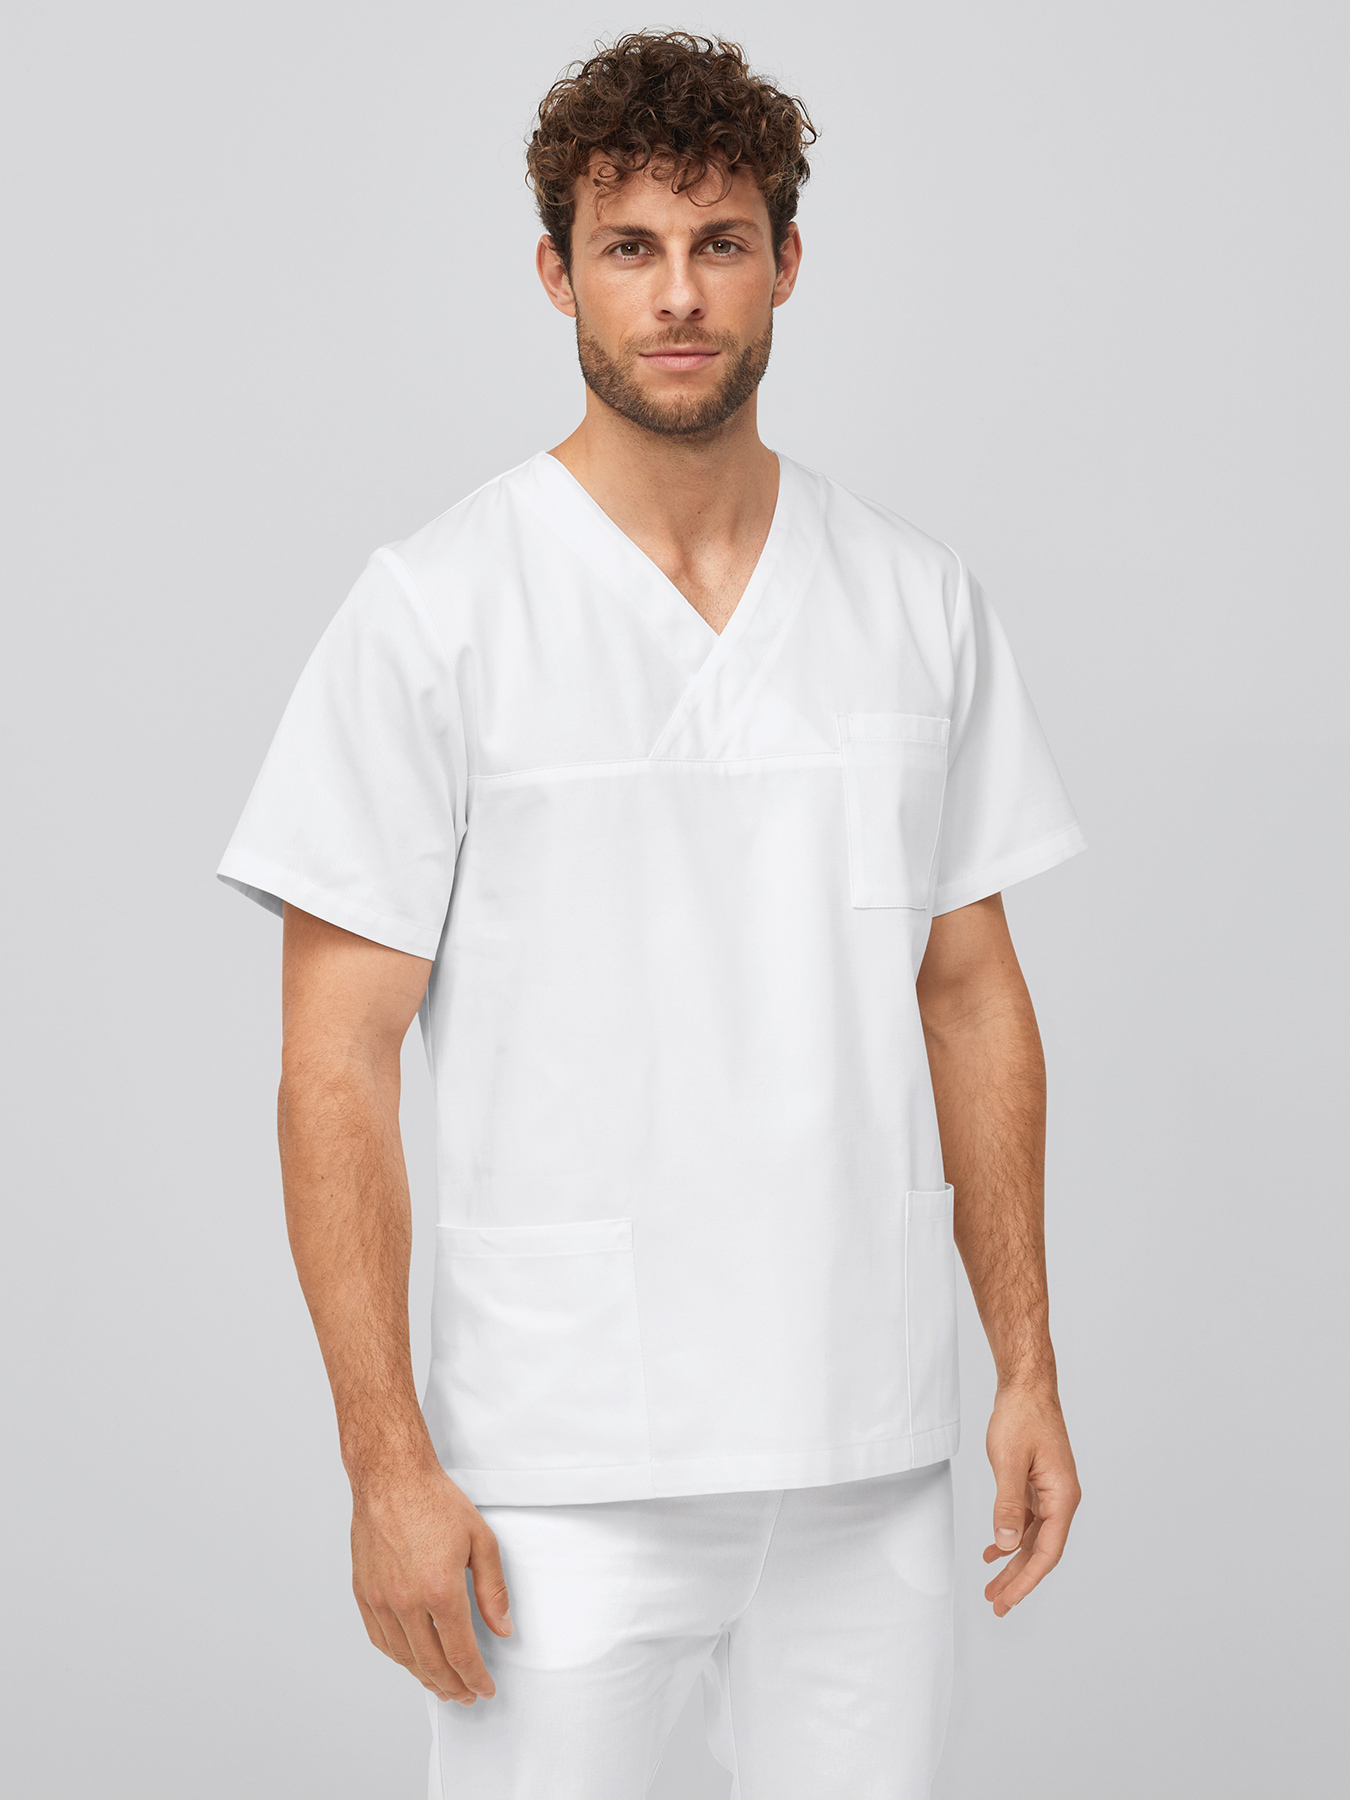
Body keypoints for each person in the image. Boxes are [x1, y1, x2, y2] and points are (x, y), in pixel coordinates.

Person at [219, 29, 1085, 1800]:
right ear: (557, 274)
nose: (678, 295)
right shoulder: (437, 612)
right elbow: (334, 1064)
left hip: (866, 1453)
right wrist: (384, 1463)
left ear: (786, 262)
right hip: (560, 1471)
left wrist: (1024, 1366)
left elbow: (970, 994)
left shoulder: (912, 600)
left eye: (719, 242)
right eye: (630, 247)